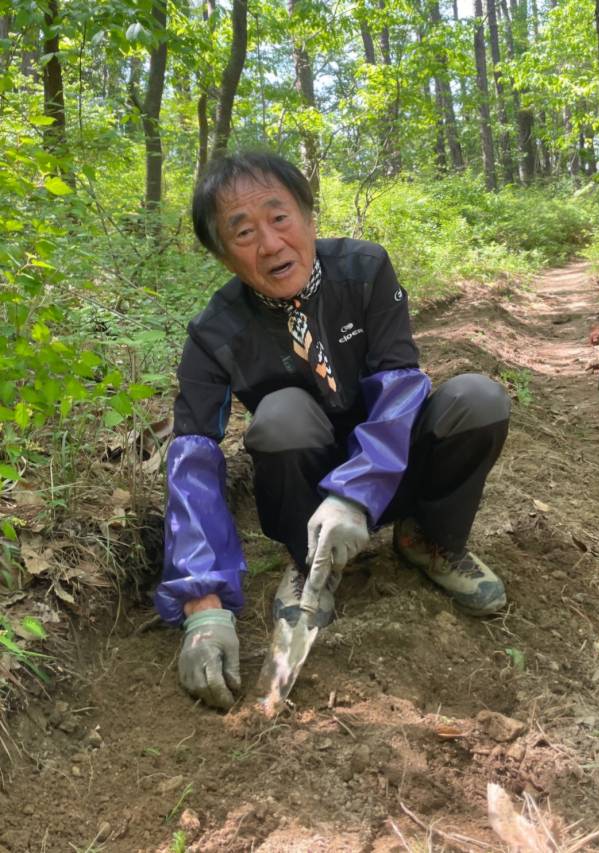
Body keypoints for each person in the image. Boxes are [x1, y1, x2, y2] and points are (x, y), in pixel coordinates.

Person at [155, 150, 511, 711]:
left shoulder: (364, 271)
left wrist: (357, 490)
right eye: (243, 232)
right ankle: (308, 563)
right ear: (222, 255)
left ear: (308, 217)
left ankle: (429, 540)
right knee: (280, 415)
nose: (270, 244)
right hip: (306, 490)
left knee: (478, 400)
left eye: (280, 218)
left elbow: (399, 383)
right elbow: (192, 455)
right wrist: (202, 604)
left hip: (393, 469)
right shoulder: (215, 332)